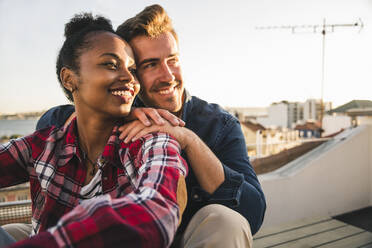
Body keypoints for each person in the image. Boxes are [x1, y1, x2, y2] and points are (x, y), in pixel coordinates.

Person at [37, 4, 266, 248]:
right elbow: (50, 123)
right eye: (150, 65)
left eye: (173, 60)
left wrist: (188, 139)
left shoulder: (218, 123)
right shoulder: (112, 111)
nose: (168, 75)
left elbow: (252, 212)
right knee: (12, 231)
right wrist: (121, 115)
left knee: (227, 222)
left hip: (186, 241)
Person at [0, 13, 188, 248]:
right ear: (69, 79)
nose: (128, 78)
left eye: (133, 69)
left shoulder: (152, 141)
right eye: (110, 64)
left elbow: (157, 212)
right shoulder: (43, 145)